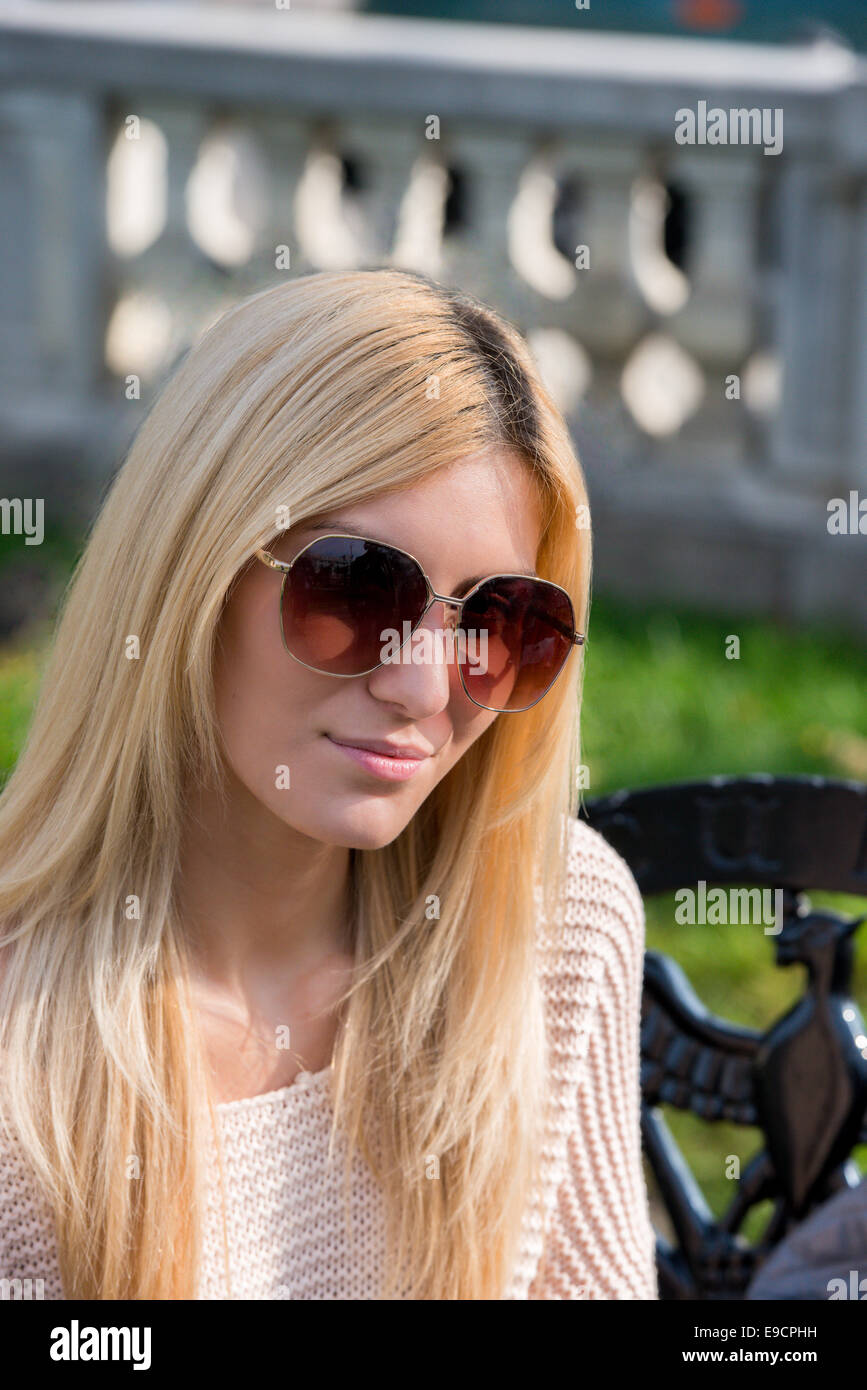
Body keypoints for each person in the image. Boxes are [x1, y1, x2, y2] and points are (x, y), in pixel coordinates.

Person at [0, 267, 657, 1300]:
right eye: (357, 586)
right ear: (189, 569)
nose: (421, 685)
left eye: (498, 623)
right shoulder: (22, 1042)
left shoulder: (555, 922)